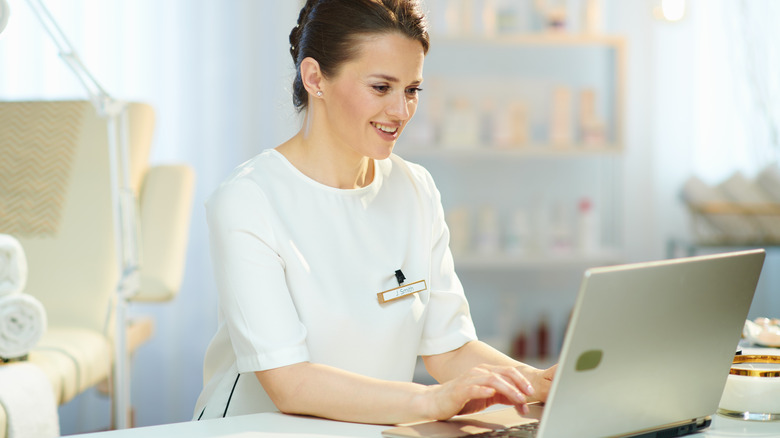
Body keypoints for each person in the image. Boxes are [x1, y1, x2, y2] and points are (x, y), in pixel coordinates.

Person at [193, 0, 556, 425]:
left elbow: (450, 347)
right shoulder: (248, 200)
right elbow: (290, 382)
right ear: (315, 79)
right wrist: (430, 402)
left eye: (412, 90)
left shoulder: (415, 189)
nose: (401, 112)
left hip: (370, 429)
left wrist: (535, 382)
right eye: (381, 88)